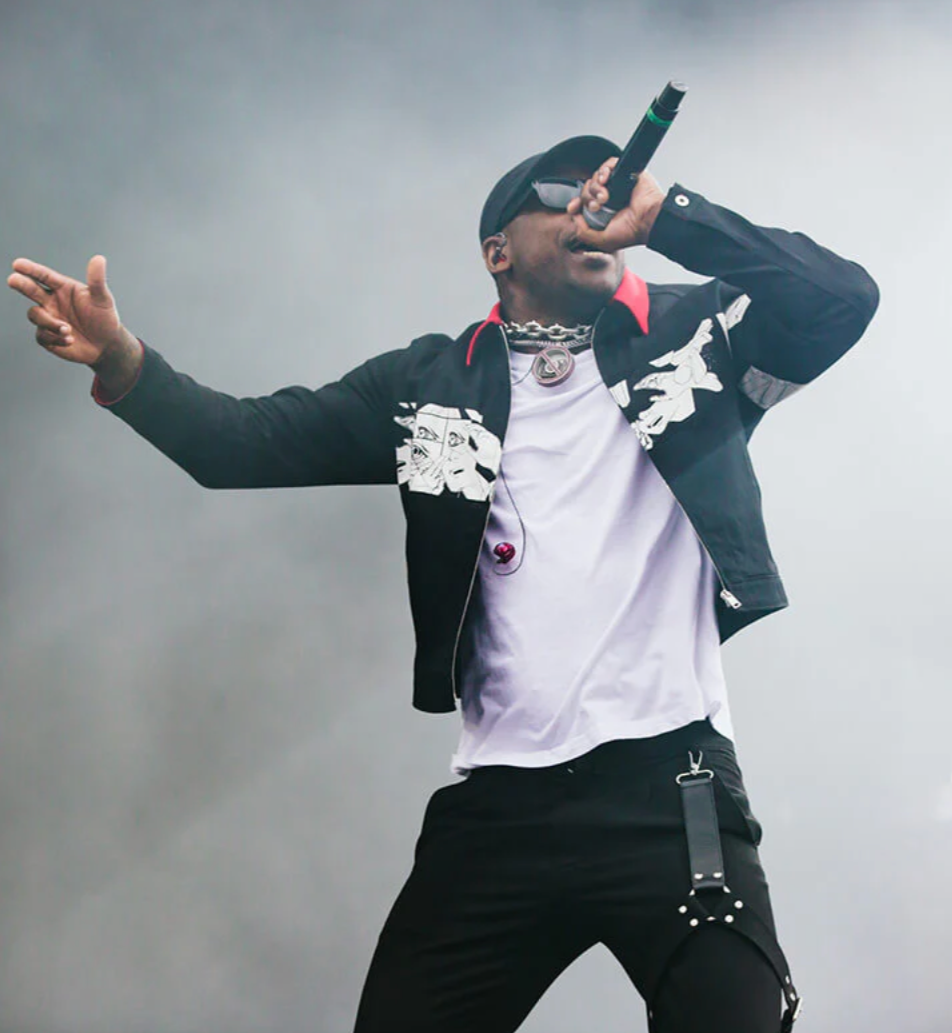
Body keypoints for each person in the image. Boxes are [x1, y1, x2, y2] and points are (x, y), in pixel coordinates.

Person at [8, 132, 878, 1033]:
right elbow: (237, 443)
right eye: (563, 191)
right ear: (497, 250)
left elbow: (841, 300)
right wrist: (121, 362)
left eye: (610, 191)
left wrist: (668, 218)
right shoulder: (430, 383)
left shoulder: (695, 339)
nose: (594, 204)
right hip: (501, 811)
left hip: (671, 784)